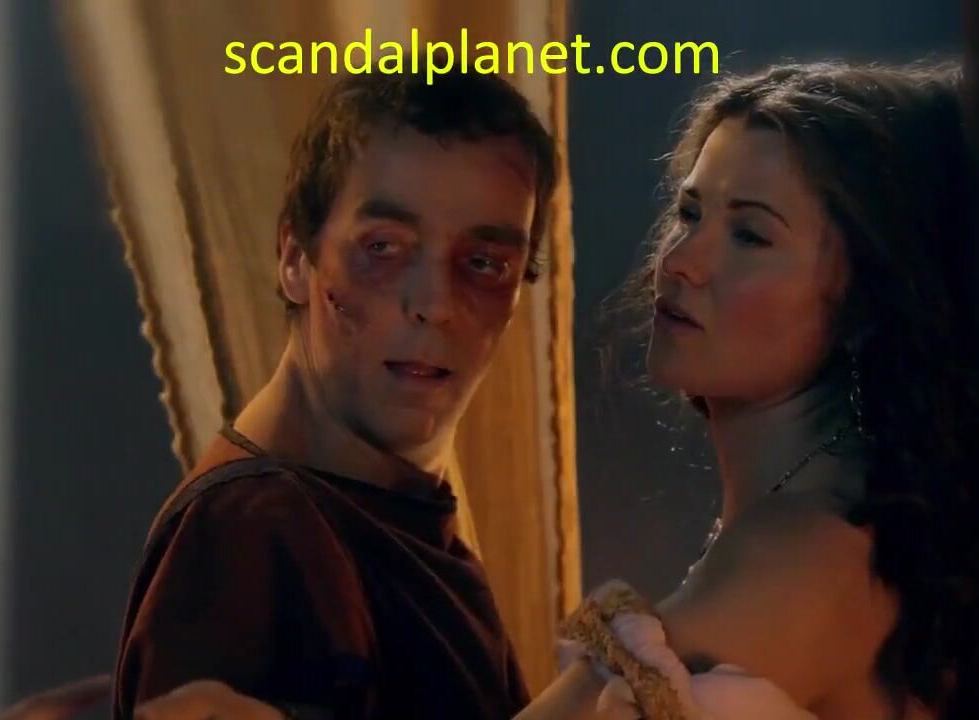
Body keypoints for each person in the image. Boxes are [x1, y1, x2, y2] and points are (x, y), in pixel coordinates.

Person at [135, 60, 979, 720]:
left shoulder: (807, 550)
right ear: (294, 256)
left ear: (869, 299)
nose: (681, 261)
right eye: (689, 213)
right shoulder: (262, 522)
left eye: (750, 235)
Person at [106, 68, 560, 720]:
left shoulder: (388, 512)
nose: (434, 304)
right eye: (385, 247)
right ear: (296, 257)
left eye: (484, 263)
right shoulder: (256, 532)